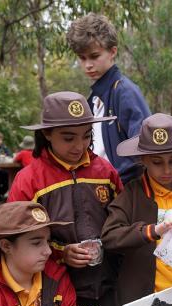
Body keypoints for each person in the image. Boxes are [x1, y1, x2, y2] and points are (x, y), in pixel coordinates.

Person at [7, 91, 123, 306]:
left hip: (110, 282)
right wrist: (61, 253)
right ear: (47, 133)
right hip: (54, 291)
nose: (79, 146)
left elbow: (123, 220)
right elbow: (16, 239)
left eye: (86, 136)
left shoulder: (105, 171)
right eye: (69, 138)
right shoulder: (29, 179)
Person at [101, 114, 172, 306]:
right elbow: (110, 237)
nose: (167, 170)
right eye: (157, 162)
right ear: (143, 160)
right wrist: (152, 231)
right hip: (145, 298)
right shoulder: (131, 194)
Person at [67, 12, 151, 184]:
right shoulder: (93, 99)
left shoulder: (125, 92)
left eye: (94, 56)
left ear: (112, 52)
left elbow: (145, 148)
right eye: (82, 58)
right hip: (98, 187)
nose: (88, 65)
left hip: (126, 190)